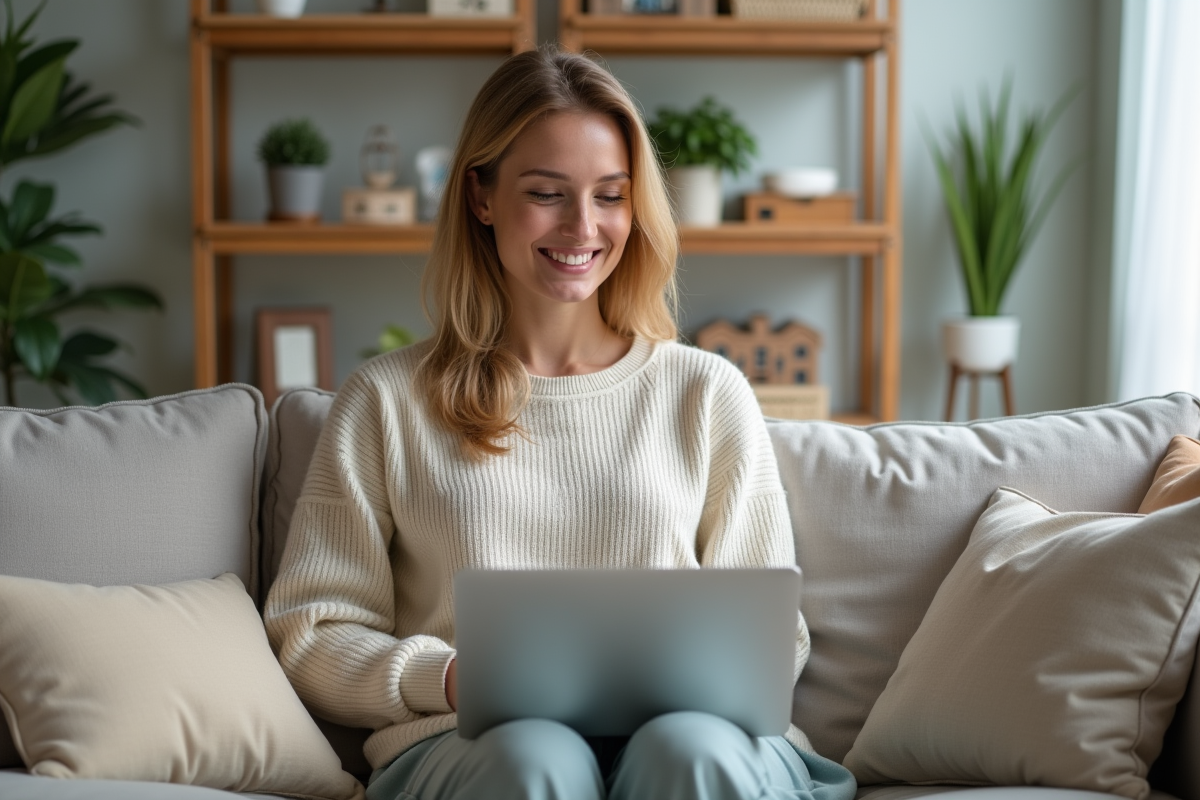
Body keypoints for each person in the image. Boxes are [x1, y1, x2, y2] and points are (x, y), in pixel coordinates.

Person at [264, 47, 857, 800]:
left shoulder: (707, 393)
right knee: (532, 759)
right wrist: (445, 676)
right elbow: (311, 631)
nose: (584, 226)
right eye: (547, 193)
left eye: (611, 195)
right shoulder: (386, 400)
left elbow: (776, 638)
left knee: (688, 752)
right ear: (480, 195)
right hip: (476, 749)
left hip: (700, 741)